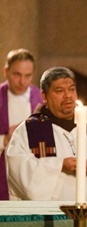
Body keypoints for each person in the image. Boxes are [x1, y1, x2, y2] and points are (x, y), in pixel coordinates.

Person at [6, 67, 87, 200]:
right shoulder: (28, 130)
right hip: (49, 215)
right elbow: (18, 167)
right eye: (59, 91)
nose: (68, 95)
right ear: (44, 96)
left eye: (71, 89)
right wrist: (60, 165)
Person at [0, 48, 43, 200]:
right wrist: (4, 139)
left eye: (28, 76)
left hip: (31, 172)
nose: (22, 81)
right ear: (6, 71)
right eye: (17, 74)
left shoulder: (41, 99)